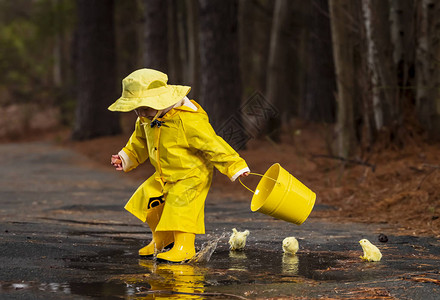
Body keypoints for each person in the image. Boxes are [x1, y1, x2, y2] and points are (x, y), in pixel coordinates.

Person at [109, 69, 249, 263]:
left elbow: (213, 144)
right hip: (165, 174)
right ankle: (162, 240)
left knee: (179, 207)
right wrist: (126, 157)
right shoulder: (145, 119)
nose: (141, 113)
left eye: (145, 108)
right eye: (136, 109)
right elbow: (139, 142)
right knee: (147, 200)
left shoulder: (187, 120)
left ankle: (184, 247)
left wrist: (235, 166)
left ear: (161, 101)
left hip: (192, 174)